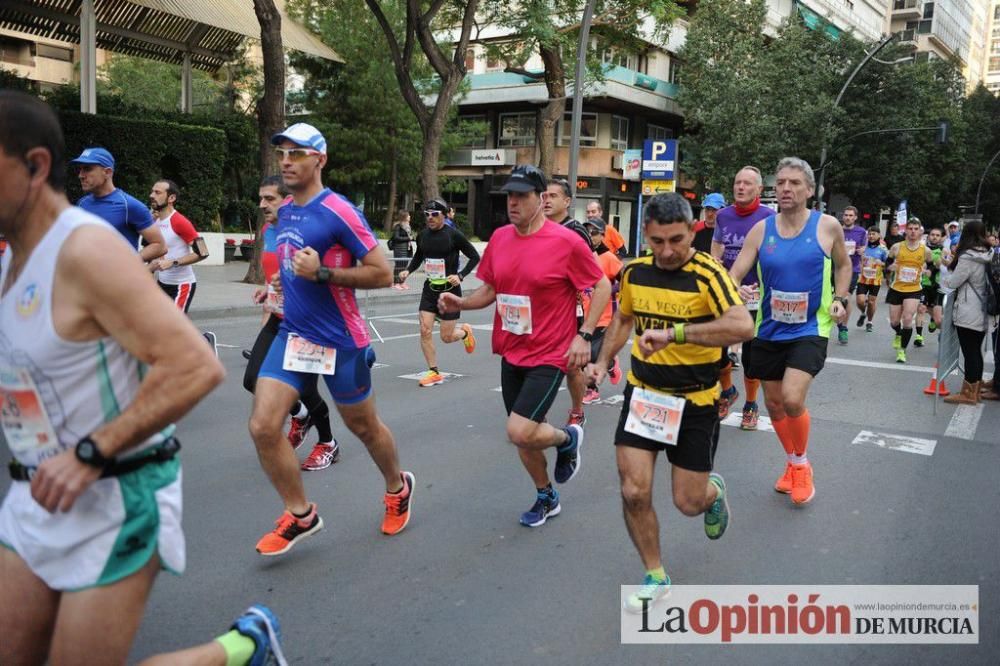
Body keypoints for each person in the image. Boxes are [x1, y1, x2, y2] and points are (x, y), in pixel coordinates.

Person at [0, 90, 286, 666]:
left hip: (114, 493)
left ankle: (240, 649)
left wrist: (89, 452)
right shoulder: (12, 261)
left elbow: (194, 366)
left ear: (34, 167)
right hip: (33, 493)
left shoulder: (85, 251)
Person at [250, 123, 414, 555]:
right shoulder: (285, 211)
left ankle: (397, 488)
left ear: (319, 159)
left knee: (363, 427)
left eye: (297, 153)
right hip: (293, 335)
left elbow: (382, 271)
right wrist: (277, 289)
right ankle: (301, 515)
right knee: (264, 426)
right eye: (282, 152)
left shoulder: (338, 210)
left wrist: (323, 274)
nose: (286, 160)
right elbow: (290, 268)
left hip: (340, 341)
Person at [587, 193, 753, 613]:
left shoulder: (707, 274)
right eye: (657, 241)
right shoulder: (635, 271)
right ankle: (655, 574)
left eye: (676, 240)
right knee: (633, 490)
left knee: (687, 503)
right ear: (645, 234)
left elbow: (742, 325)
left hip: (695, 402)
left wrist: (676, 334)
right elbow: (624, 318)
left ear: (692, 231)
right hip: (645, 395)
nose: (666, 251)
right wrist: (603, 360)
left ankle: (712, 493)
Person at [438, 164, 610, 527]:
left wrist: (585, 334)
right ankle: (546, 496)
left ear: (541, 199)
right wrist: (460, 302)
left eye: (522, 196)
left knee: (518, 429)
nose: (513, 203)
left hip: (549, 354)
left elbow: (602, 287)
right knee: (526, 437)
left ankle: (566, 440)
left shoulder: (566, 242)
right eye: (509, 196)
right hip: (511, 350)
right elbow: (490, 289)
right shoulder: (500, 238)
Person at [729, 157, 851, 505]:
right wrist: (735, 288)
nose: (785, 188)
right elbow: (734, 274)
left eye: (794, 183)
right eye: (780, 182)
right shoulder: (761, 230)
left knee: (793, 399)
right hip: (768, 329)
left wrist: (841, 298)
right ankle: (793, 461)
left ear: (811, 190)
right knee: (775, 405)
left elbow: (843, 266)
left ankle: (801, 465)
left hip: (811, 327)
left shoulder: (827, 227)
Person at [245, 175, 340, 471]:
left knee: (305, 388)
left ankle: (328, 442)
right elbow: (277, 269)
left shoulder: (309, 231)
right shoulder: (268, 231)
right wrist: (268, 288)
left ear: (288, 201)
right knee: (253, 380)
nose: (262, 205)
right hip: (278, 317)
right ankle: (300, 415)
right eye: (261, 199)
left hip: (310, 323)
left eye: (269, 199)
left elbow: (329, 275)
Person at [711, 166, 774, 429]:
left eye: (747, 183)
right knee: (715, 350)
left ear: (759, 189)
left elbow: (774, 258)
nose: (740, 187)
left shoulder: (769, 218)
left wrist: (761, 286)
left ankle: (751, 404)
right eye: (737, 182)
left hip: (756, 295)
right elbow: (715, 257)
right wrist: (729, 281)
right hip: (727, 290)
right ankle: (727, 392)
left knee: (751, 356)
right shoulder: (723, 216)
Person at [398, 197, 480, 387]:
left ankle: (465, 333)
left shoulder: (453, 235)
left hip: (450, 292)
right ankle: (434, 371)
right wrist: (408, 271)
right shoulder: (423, 235)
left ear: (444, 215)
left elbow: (474, 256)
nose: (430, 218)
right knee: (425, 329)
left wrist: (460, 275)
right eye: (427, 215)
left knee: (446, 337)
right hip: (430, 288)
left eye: (435, 215)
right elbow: (419, 255)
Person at [544, 178, 593, 426]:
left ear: (567, 201)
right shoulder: (535, 227)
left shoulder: (576, 229)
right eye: (545, 196)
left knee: (572, 365)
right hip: (541, 309)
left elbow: (591, 270)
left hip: (569, 308)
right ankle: (534, 411)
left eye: (553, 196)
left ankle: (577, 410)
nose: (547, 200)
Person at [70, 146, 166, 264]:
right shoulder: (82, 203)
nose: (81, 175)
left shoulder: (129, 205)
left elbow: (160, 245)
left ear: (107, 172)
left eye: (87, 169)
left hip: (118, 282)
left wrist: (124, 265)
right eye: (80, 170)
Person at [941, 220, 995, 405]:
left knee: (970, 351)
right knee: (976, 351)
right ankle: (975, 390)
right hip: (983, 308)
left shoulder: (968, 257)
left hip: (968, 309)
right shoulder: (989, 253)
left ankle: (969, 393)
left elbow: (955, 281)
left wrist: (945, 280)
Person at [580, 216, 624, 404]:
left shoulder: (609, 258)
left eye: (595, 233)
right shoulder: (583, 256)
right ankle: (612, 363)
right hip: (586, 314)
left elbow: (625, 280)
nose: (591, 236)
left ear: (603, 236)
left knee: (591, 355)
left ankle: (592, 389)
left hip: (606, 316)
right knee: (581, 355)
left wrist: (611, 289)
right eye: (588, 232)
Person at [148, 179, 208, 312]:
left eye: (157, 192)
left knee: (173, 329)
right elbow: (151, 250)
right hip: (162, 284)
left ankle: (206, 335)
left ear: (171, 198)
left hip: (182, 285)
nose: (152, 195)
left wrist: (173, 262)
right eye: (152, 192)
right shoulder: (154, 220)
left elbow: (203, 252)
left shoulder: (180, 221)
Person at [886, 217, 936, 364]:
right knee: (894, 321)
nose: (913, 232)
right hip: (896, 288)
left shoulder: (925, 250)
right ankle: (898, 333)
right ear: (906, 230)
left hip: (914, 289)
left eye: (916, 229)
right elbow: (887, 263)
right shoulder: (896, 247)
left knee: (908, 319)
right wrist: (889, 268)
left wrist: (929, 272)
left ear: (920, 231)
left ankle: (902, 350)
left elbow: (932, 265)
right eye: (910, 229)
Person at [836, 206, 867, 345]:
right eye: (846, 215)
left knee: (845, 298)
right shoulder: (836, 229)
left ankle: (843, 328)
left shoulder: (861, 232)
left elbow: (864, 248)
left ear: (855, 217)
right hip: (833, 268)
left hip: (851, 269)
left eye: (850, 215)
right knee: (834, 299)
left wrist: (862, 251)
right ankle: (838, 322)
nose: (848, 217)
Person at [914, 226, 948, 344]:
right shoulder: (922, 248)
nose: (934, 237)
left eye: (937, 235)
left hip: (938, 285)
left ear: (941, 237)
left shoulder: (944, 250)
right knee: (921, 308)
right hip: (924, 283)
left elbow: (943, 265)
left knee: (932, 311)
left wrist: (939, 263)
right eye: (932, 234)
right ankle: (919, 336)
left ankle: (933, 319)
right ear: (929, 236)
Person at [855, 226, 889, 332]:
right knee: (860, 301)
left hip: (876, 280)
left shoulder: (883, 250)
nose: (871, 236)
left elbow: (889, 264)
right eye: (869, 234)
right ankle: (863, 313)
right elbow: (856, 260)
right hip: (863, 279)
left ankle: (869, 322)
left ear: (879, 235)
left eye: (874, 234)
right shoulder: (863, 248)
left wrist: (882, 263)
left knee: (871, 302)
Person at [388, 209, 414, 290]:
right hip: (399, 249)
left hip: (407, 248)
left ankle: (402, 282)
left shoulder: (407, 226)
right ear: (404, 217)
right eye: (408, 215)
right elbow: (396, 238)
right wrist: (408, 238)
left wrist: (410, 238)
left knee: (404, 265)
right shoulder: (398, 226)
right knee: (399, 266)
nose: (410, 216)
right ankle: (395, 282)